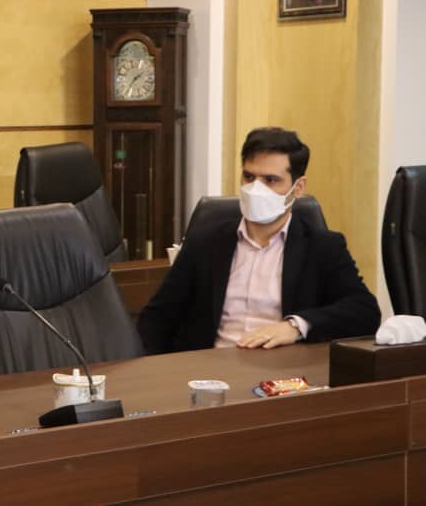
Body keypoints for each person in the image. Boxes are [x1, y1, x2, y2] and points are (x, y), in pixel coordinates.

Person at [138, 127, 380, 355]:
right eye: (249, 176)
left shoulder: (322, 246)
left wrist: (296, 326)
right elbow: (156, 317)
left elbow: (365, 311)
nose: (256, 189)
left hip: (282, 372)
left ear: (298, 187)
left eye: (271, 180)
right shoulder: (205, 241)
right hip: (211, 369)